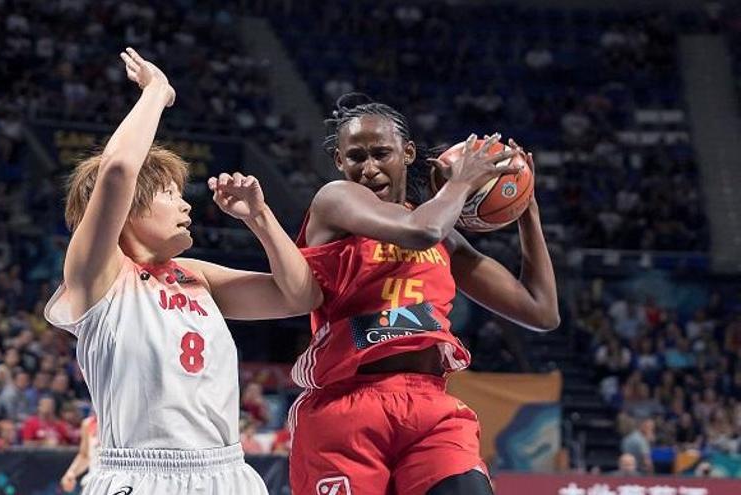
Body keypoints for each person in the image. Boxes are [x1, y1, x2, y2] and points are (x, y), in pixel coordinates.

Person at [44, 48, 321, 495]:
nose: (186, 204)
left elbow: (299, 297)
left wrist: (260, 218)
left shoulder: (195, 275)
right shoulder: (97, 277)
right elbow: (117, 170)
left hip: (227, 470)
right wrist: (157, 91)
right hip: (139, 472)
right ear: (130, 207)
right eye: (171, 193)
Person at [288, 94, 559, 495]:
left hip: (429, 402)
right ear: (339, 163)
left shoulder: (444, 234)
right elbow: (420, 230)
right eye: (355, 157)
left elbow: (540, 310)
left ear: (408, 153)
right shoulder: (335, 201)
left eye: (381, 153)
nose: (369, 168)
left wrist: (526, 209)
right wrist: (463, 181)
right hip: (346, 406)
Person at [60, 414, 98, 493]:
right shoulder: (88, 423)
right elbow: (85, 455)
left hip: (121, 479)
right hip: (94, 479)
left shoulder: (121, 420)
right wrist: (71, 472)